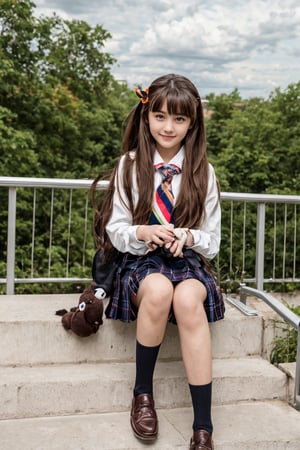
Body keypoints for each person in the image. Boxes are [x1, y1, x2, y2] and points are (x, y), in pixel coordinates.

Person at [91, 73, 225, 450]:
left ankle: (203, 428)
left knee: (186, 299)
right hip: (141, 263)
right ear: (146, 116)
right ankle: (142, 395)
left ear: (192, 123)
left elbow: (212, 242)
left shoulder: (204, 172)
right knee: (159, 289)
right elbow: (115, 229)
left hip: (189, 264)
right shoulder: (130, 166)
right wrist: (141, 233)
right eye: (161, 116)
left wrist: (189, 235)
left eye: (179, 119)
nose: (169, 127)